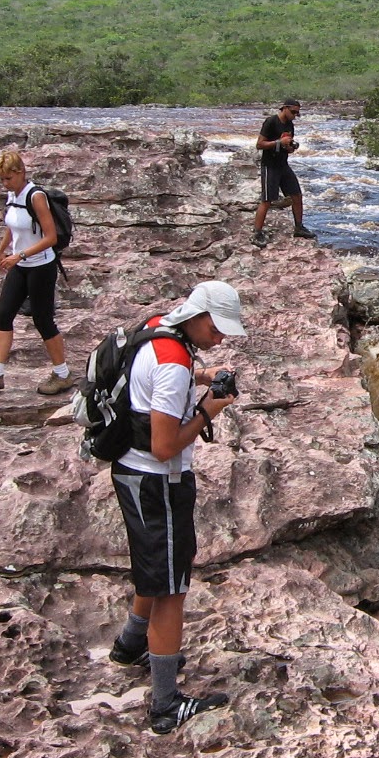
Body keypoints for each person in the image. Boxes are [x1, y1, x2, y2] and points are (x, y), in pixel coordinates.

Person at [106, 280, 245, 734]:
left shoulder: (158, 329)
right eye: (216, 329)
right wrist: (208, 410)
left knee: (156, 567)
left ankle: (131, 644)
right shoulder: (173, 365)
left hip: (130, 472)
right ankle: (165, 706)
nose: (219, 338)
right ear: (197, 316)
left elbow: (150, 385)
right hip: (156, 483)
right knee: (170, 589)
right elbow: (165, 446)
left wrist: (202, 376)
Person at [0, 149, 73, 395]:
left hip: (41, 266)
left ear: (21, 173)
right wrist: (2, 249)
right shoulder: (12, 195)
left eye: (9, 178)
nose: (6, 183)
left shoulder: (35, 196)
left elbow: (50, 237)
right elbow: (13, 225)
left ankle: (62, 375)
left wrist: (20, 255)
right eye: (2, 179)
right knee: (4, 315)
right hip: (21, 265)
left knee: (43, 320)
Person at [252, 99, 315, 244]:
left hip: (283, 165)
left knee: (297, 195)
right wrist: (278, 143)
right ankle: (257, 233)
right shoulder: (271, 122)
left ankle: (299, 227)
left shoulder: (289, 125)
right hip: (270, 165)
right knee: (267, 200)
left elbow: (288, 146)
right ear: (284, 108)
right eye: (293, 112)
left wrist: (290, 147)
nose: (295, 115)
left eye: (297, 113)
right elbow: (259, 144)